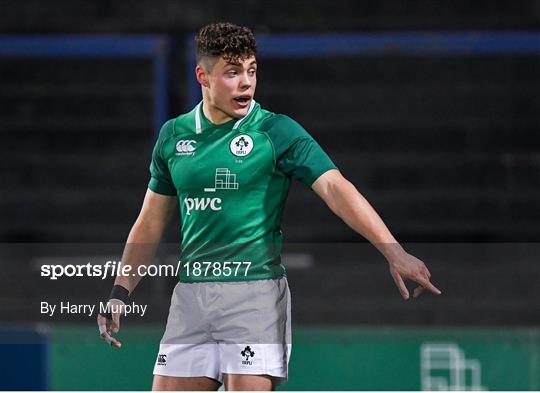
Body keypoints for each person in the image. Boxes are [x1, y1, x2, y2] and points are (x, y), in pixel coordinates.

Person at [96, 22, 441, 391]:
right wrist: (120, 292)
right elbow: (149, 222)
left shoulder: (275, 131)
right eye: (232, 72)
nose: (246, 82)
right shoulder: (174, 136)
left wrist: (394, 251)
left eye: (251, 70)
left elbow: (337, 188)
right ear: (203, 75)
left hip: (253, 295)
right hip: (191, 295)